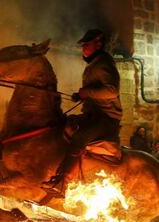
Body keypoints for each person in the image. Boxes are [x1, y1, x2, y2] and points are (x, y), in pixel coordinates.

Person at [42, 29, 122, 195]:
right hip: (93, 114)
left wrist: (85, 93)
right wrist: (81, 95)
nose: (83, 48)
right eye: (83, 45)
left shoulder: (103, 64)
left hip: (106, 117)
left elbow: (111, 91)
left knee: (79, 137)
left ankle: (63, 182)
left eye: (87, 44)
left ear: (98, 44)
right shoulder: (94, 64)